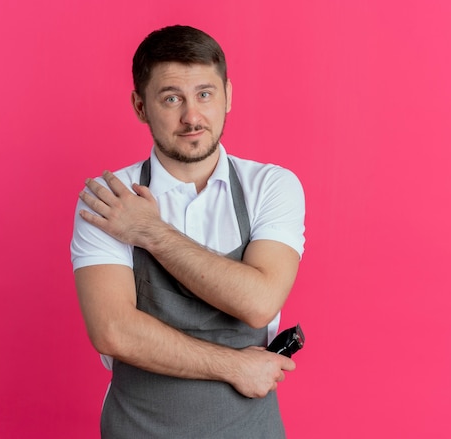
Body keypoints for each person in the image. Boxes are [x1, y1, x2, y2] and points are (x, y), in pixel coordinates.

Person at [71, 24, 305, 438]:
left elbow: (258, 301)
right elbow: (113, 330)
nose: (191, 116)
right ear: (140, 106)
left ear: (228, 96)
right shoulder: (107, 199)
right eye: (171, 98)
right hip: (137, 428)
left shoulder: (271, 186)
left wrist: (150, 232)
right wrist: (234, 365)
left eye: (204, 94)